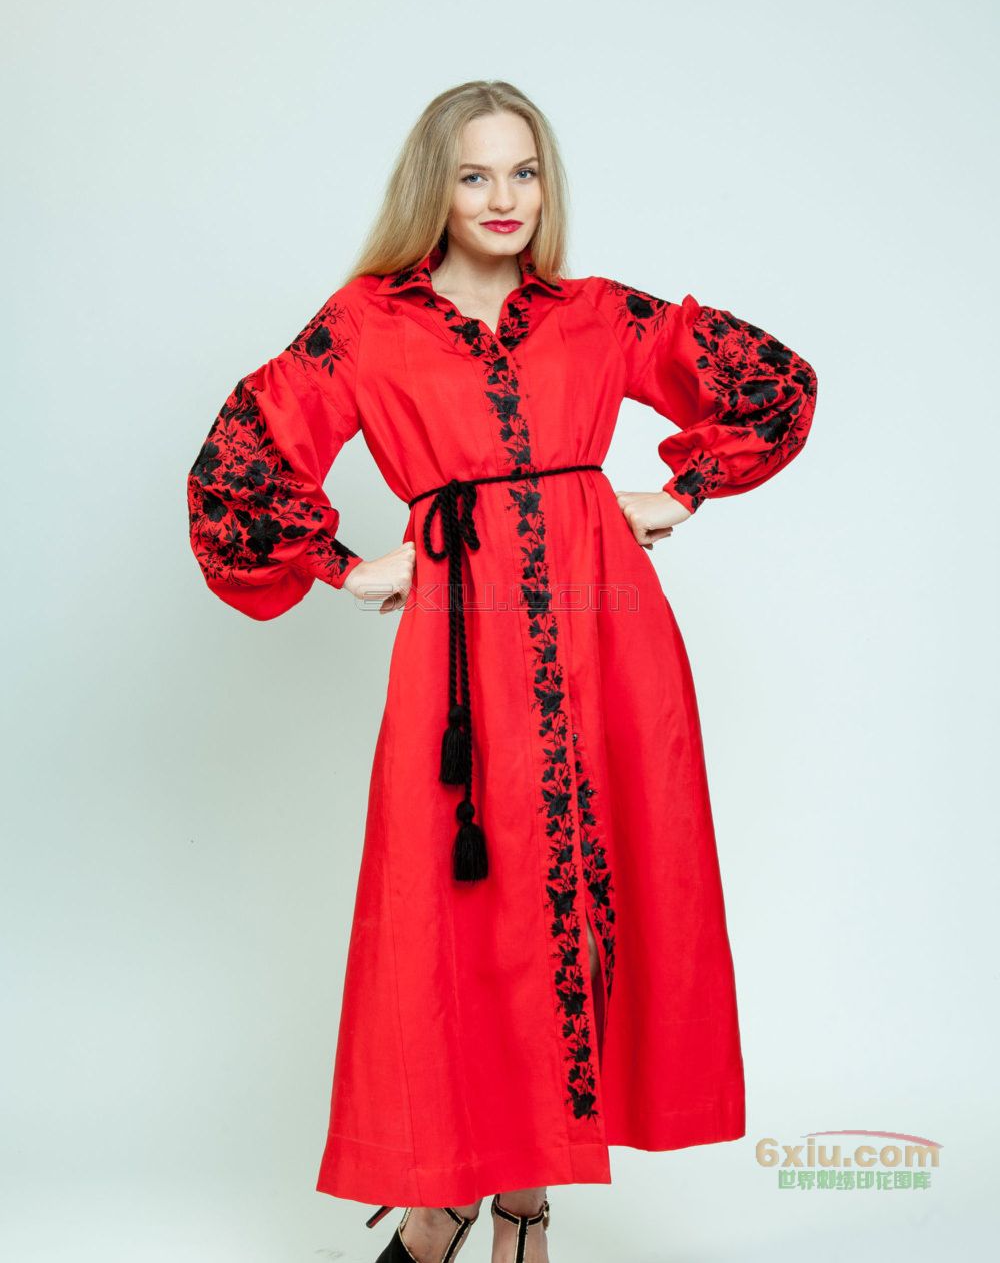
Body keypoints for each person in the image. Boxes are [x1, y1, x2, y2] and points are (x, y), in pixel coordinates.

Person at [186, 79, 818, 1263]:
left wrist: (680, 491)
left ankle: (524, 1203)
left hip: (606, 639)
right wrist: (341, 564)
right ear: (434, 186)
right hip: (461, 658)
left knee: (586, 898)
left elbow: (773, 380)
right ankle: (448, 1200)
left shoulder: (596, 315)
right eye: (474, 174)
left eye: (523, 171)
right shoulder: (365, 325)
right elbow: (240, 457)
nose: (503, 197)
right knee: (469, 913)